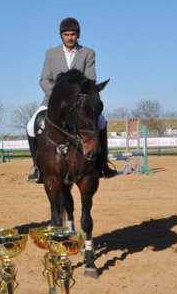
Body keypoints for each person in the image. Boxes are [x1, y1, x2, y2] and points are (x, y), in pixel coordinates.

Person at [26, 17, 116, 183]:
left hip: (81, 103)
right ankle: (37, 168)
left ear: (77, 35)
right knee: (31, 126)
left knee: (101, 122)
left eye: (73, 34)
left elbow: (90, 79)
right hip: (52, 102)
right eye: (66, 34)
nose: (69, 38)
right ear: (61, 36)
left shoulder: (88, 53)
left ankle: (102, 165)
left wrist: (75, 97)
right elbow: (44, 79)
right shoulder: (51, 53)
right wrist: (57, 96)